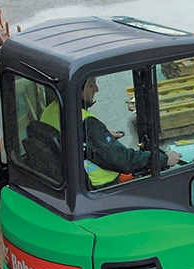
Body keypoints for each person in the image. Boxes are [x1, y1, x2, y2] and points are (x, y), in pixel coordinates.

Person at [40, 76, 181, 189]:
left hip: (72, 177)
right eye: (91, 85)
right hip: (102, 187)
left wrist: (102, 136)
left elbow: (76, 138)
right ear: (77, 89)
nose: (97, 89)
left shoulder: (52, 110)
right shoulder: (86, 122)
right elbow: (124, 161)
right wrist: (164, 159)